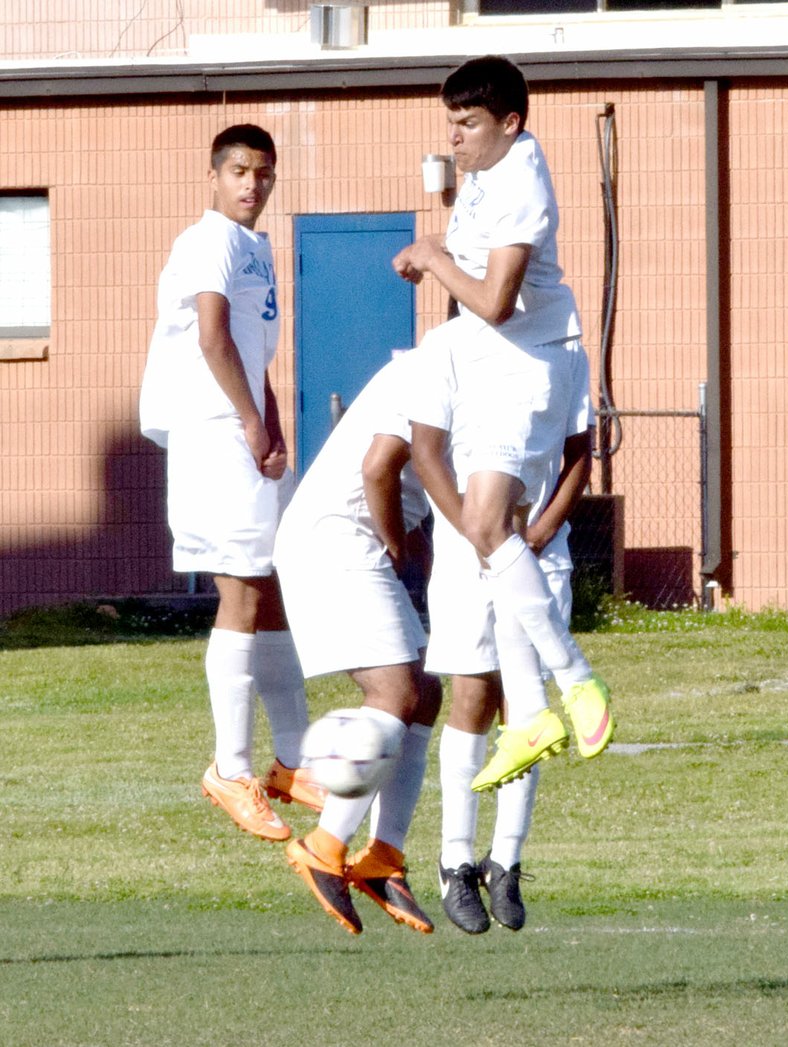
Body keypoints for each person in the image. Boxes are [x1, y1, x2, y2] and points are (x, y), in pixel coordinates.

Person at [392, 55, 614, 791]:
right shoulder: (487, 171)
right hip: (494, 365)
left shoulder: (521, 179)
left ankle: (576, 680)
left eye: (467, 124)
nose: (454, 138)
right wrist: (430, 253)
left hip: (533, 363)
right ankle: (531, 717)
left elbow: (493, 300)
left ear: (510, 123)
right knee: (495, 535)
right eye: (448, 122)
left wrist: (430, 254)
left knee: (486, 523)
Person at [139, 124, 323, 845]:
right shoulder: (207, 239)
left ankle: (292, 762)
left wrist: (272, 425)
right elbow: (213, 337)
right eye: (240, 170)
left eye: (264, 173)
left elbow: (252, 350)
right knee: (242, 591)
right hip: (211, 430)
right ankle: (230, 767)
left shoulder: (258, 248)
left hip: (243, 430)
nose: (252, 184)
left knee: (272, 584)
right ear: (214, 175)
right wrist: (249, 421)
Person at [274, 353, 442, 937]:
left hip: (359, 537)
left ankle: (382, 858)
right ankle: (324, 847)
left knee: (424, 693)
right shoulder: (442, 365)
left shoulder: (472, 363)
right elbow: (377, 470)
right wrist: (399, 548)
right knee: (394, 693)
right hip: (338, 538)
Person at [431, 428, 592, 934]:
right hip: (466, 556)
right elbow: (424, 453)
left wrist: (537, 537)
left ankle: (505, 860)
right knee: (473, 695)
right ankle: (454, 860)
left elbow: (579, 454)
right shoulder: (449, 354)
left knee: (527, 712)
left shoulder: (564, 353)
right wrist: (476, 533)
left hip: (540, 553)